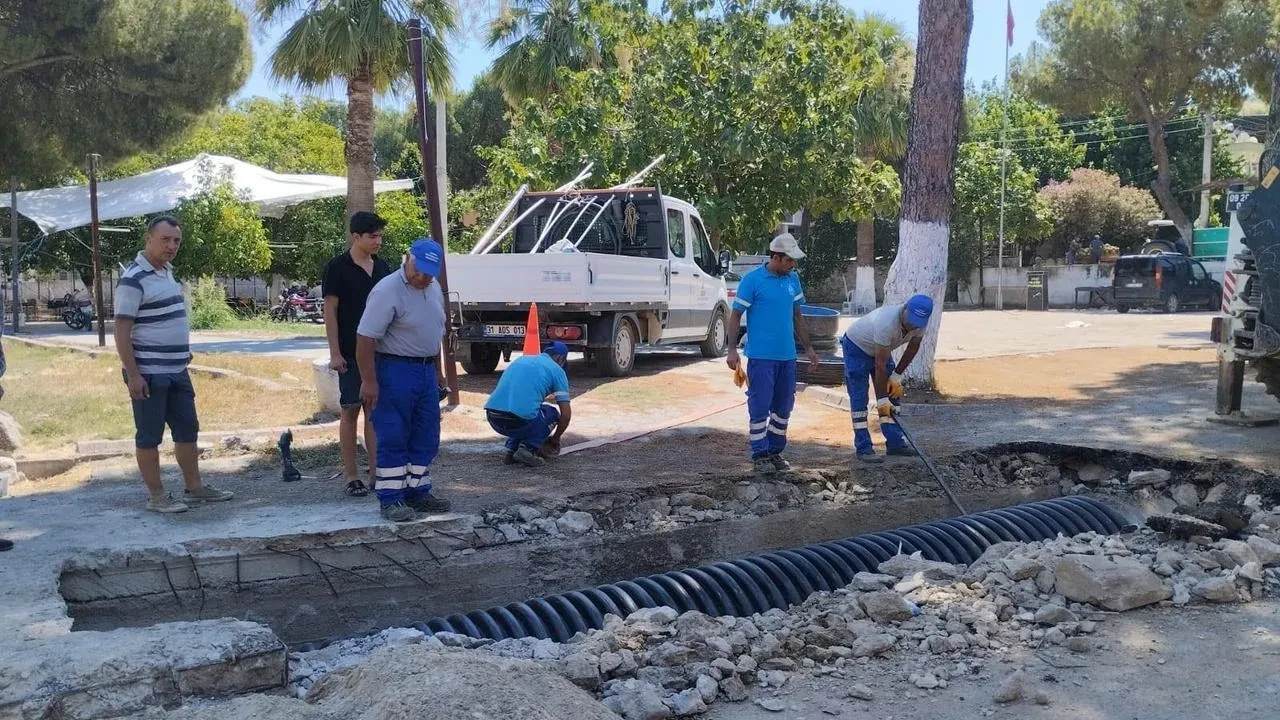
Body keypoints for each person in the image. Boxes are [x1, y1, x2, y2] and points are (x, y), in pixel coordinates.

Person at [113, 216, 234, 513]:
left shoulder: (167, 272)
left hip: (178, 370)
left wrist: (181, 351)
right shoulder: (133, 279)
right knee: (149, 436)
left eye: (176, 241)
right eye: (165, 239)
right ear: (148, 239)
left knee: (187, 430)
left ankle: (195, 488)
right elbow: (122, 331)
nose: (171, 246)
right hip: (149, 374)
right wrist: (133, 374)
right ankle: (157, 497)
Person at [356, 238, 452, 522]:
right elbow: (365, 337)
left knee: (426, 433)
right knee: (393, 433)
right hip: (394, 369)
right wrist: (369, 381)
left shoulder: (434, 289)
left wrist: (437, 371)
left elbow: (435, 333)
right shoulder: (387, 290)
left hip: (425, 371)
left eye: (429, 274)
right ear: (408, 258)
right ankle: (391, 498)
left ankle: (417, 491)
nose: (422, 277)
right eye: (418, 270)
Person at [725, 232, 820, 474]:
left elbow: (797, 316)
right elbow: (735, 316)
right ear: (775, 257)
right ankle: (759, 454)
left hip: (787, 357)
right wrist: (732, 350)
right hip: (761, 358)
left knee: (784, 407)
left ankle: (775, 451)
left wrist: (809, 348)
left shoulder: (793, 280)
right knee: (759, 405)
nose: (793, 264)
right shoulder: (752, 280)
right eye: (789, 260)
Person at [322, 211, 392, 497]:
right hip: (349, 353)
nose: (378, 241)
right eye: (372, 236)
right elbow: (330, 312)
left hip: (380, 352)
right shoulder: (336, 268)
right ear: (356, 236)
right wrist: (335, 353)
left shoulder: (383, 267)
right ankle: (351, 476)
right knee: (350, 410)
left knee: (374, 413)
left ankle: (376, 473)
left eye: (380, 236)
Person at [841, 294, 933, 463]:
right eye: (911, 320)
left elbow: (913, 348)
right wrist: (881, 399)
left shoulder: (921, 323)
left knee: (892, 396)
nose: (912, 326)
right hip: (857, 347)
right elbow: (880, 365)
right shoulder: (887, 322)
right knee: (859, 399)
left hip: (881, 350)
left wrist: (896, 375)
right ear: (905, 309)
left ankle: (895, 443)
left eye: (917, 323)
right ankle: (864, 448)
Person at [484, 341, 572, 467]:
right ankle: (528, 449)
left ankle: (512, 450)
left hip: (493, 418)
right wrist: (555, 439)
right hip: (519, 422)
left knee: (526, 412)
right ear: (561, 358)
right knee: (552, 414)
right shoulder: (557, 370)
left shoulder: (522, 360)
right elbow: (566, 415)